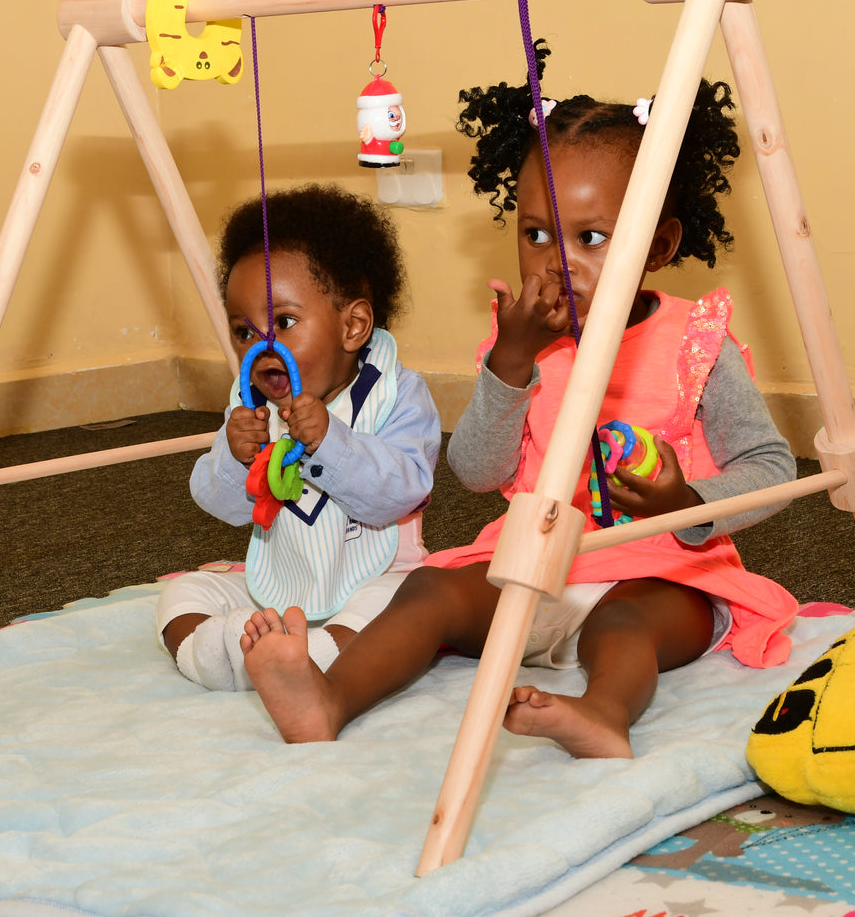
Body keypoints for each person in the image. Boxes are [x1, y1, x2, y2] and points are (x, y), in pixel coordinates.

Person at [242, 43, 799, 759]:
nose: (556, 262)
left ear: (658, 244)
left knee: (623, 625)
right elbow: (475, 470)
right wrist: (510, 360)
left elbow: (770, 466)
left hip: (663, 574)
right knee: (428, 595)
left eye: (591, 238)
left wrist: (681, 501)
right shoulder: (516, 343)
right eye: (535, 233)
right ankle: (325, 697)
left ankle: (600, 712)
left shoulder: (696, 340)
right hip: (532, 567)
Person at [157, 184, 441, 692]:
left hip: (378, 579)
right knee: (181, 594)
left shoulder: (397, 393)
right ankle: (222, 651)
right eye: (244, 331)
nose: (262, 346)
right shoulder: (251, 401)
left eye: (285, 323)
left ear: (353, 325)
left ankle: (300, 657)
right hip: (280, 580)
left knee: (405, 609)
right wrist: (235, 455)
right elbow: (223, 506)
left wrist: (331, 442)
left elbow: (403, 492)